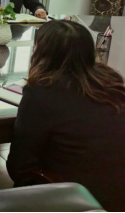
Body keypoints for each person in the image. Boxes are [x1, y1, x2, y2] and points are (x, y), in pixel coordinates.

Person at [7, 20, 125, 212]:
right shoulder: (112, 82)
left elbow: (19, 167)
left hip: (75, 201)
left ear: (41, 52)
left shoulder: (41, 93)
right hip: (116, 196)